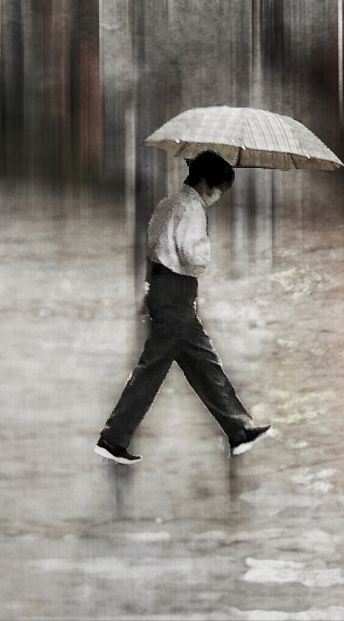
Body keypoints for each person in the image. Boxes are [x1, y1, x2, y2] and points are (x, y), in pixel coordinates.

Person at [95, 151, 270, 465]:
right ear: (205, 182)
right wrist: (205, 248)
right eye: (217, 188)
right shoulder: (192, 209)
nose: (216, 195)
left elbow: (154, 247)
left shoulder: (168, 204)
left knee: (202, 365)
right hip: (177, 295)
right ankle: (113, 438)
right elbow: (193, 257)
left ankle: (239, 429)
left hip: (161, 290)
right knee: (157, 370)